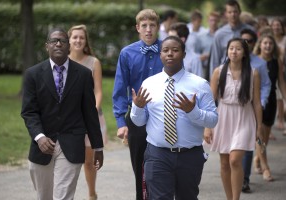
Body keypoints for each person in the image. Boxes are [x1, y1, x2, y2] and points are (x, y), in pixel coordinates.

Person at [130, 36, 218, 200]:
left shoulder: (199, 84)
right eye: (165, 50)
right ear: (160, 55)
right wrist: (138, 107)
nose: (170, 54)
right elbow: (139, 121)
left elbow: (213, 119)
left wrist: (193, 111)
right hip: (157, 155)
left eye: (175, 50)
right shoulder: (149, 84)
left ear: (184, 54)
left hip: (189, 155)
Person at [21, 27, 104, 200]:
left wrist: (98, 147)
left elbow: (89, 113)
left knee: (63, 197)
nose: (58, 44)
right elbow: (29, 112)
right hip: (42, 146)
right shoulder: (33, 74)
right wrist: (39, 136)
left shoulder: (83, 75)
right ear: (47, 46)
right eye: (54, 41)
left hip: (72, 144)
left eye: (63, 41)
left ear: (68, 47)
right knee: (44, 196)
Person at [112, 9, 163, 200]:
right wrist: (120, 122)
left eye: (152, 25)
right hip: (136, 118)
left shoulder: (168, 49)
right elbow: (119, 88)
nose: (148, 30)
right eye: (144, 26)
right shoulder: (127, 53)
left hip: (163, 118)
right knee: (139, 168)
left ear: (157, 27)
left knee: (162, 167)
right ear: (137, 28)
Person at [204, 38, 263, 200]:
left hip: (244, 118)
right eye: (231, 48)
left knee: (235, 160)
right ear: (227, 51)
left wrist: (259, 128)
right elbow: (209, 100)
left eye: (238, 49)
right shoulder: (218, 71)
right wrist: (207, 126)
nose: (234, 52)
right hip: (223, 118)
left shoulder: (253, 73)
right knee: (224, 163)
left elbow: (257, 103)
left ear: (244, 53)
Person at [68, 24, 108, 200]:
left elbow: (98, 91)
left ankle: (92, 195)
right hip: (68, 119)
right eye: (74, 37)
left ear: (85, 41)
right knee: (67, 161)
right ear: (69, 40)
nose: (78, 40)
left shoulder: (94, 62)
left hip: (90, 118)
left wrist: (92, 111)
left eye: (81, 37)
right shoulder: (62, 61)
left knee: (88, 161)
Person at [240, 28, 271, 192]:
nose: (245, 44)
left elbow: (266, 85)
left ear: (254, 43)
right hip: (233, 110)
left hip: (252, 108)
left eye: (249, 41)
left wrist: (262, 102)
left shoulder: (259, 63)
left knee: (247, 144)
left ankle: (244, 179)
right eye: (242, 40)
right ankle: (236, 175)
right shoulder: (230, 59)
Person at [253, 34, 286, 182]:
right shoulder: (254, 61)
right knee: (260, 136)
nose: (267, 46)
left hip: (271, 100)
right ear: (260, 45)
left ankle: (258, 158)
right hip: (256, 101)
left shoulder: (276, 61)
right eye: (265, 43)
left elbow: (281, 82)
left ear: (273, 47)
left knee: (264, 138)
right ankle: (266, 167)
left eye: (270, 44)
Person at [209, 0, 253, 79]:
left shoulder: (250, 31)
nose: (233, 15)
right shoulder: (219, 34)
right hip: (225, 75)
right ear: (226, 14)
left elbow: (255, 53)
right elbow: (215, 59)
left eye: (235, 11)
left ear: (239, 12)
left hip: (246, 74)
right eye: (230, 12)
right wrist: (213, 80)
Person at [270, 18, 286, 133]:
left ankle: (281, 120)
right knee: (278, 96)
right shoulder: (269, 40)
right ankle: (278, 120)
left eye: (278, 25)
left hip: (284, 70)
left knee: (281, 97)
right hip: (274, 71)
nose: (276, 27)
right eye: (274, 25)